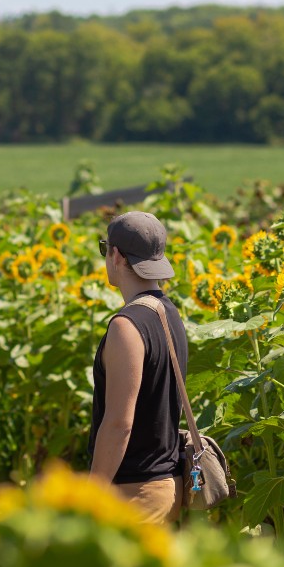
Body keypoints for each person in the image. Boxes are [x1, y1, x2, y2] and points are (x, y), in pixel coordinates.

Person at [88, 210, 187, 524]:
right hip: (167, 489)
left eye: (106, 250)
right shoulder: (169, 313)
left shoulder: (126, 326)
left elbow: (119, 425)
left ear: (116, 255)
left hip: (133, 497)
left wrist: (90, 496)